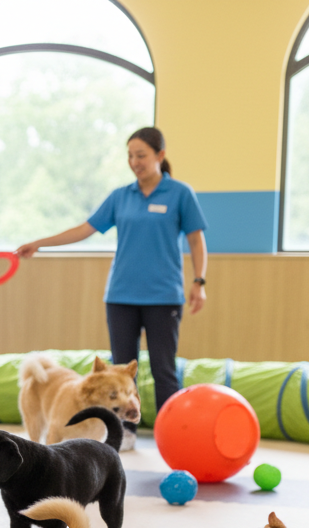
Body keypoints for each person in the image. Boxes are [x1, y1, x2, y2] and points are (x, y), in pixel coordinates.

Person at [16, 126, 207, 441]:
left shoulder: (179, 194)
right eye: (130, 155)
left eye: (141, 155)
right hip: (121, 296)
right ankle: (124, 434)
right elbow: (85, 229)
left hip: (163, 297)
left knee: (163, 369)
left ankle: (173, 434)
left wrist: (199, 281)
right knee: (117, 375)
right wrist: (40, 243)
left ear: (160, 155)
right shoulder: (121, 196)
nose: (135, 161)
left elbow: (197, 241)